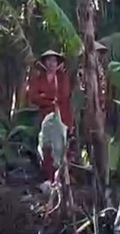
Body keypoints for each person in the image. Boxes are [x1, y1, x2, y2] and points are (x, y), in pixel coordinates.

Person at [27, 50, 75, 183]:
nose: (51, 64)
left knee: (62, 146)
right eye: (48, 60)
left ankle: (62, 177)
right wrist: (49, 100)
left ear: (57, 63)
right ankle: (49, 177)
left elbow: (63, 95)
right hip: (45, 117)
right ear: (44, 63)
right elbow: (33, 97)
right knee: (46, 146)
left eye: (54, 60)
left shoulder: (62, 78)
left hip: (62, 116)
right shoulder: (39, 79)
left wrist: (44, 97)